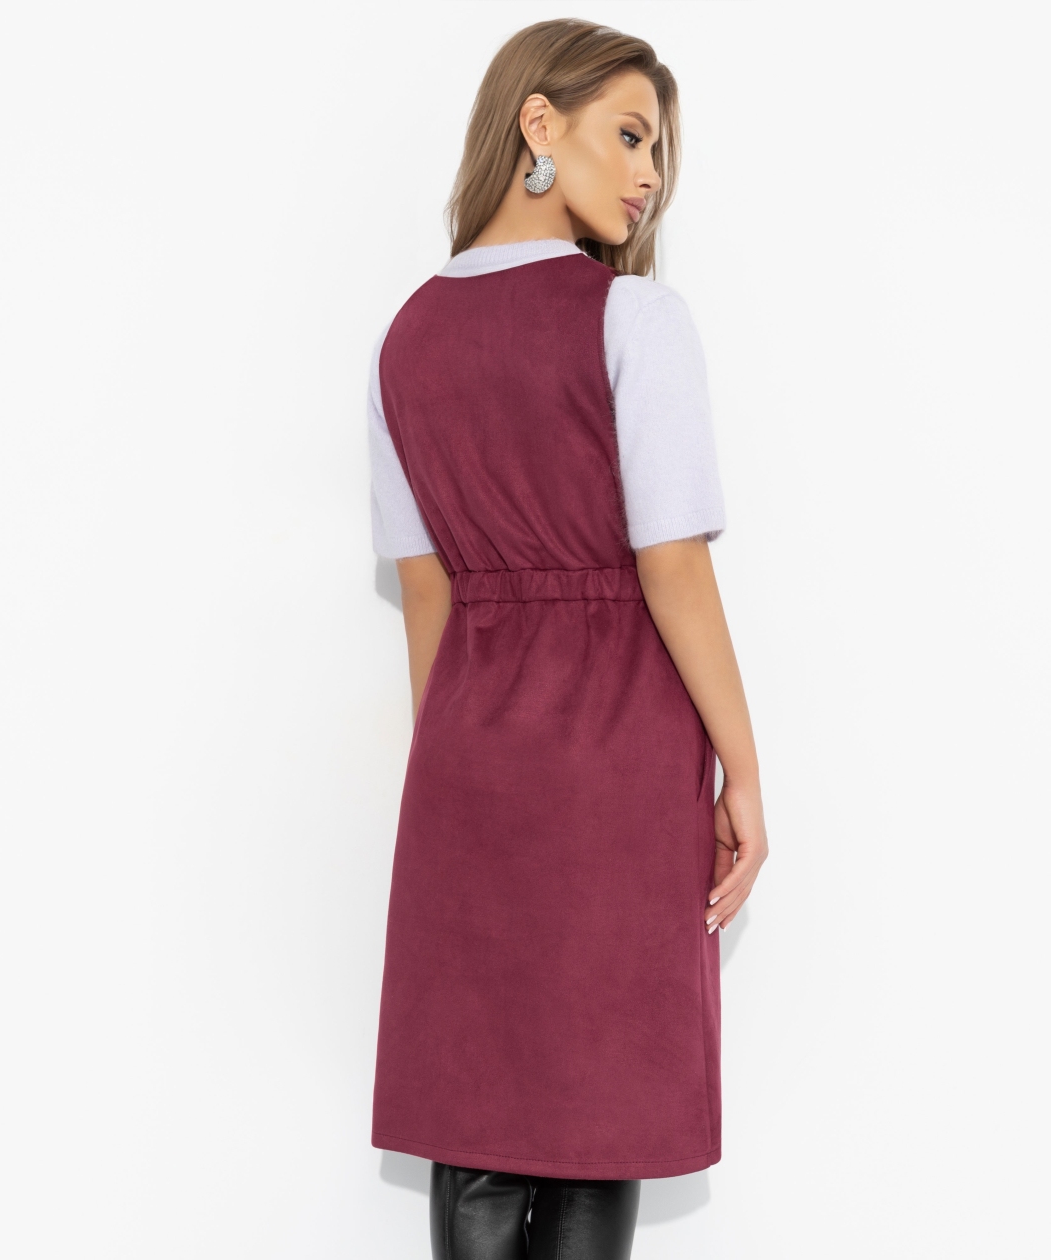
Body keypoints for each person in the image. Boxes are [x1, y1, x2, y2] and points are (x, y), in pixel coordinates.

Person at [366, 19, 768, 1259]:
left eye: (659, 154)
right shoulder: (635, 319)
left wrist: (457, 773)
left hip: (467, 761)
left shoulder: (404, 340)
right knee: (602, 1105)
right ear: (538, 123)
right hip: (617, 760)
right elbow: (672, 567)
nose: (647, 176)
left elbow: (427, 597)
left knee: (475, 1109)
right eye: (630, 136)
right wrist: (743, 770)